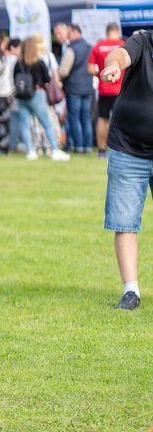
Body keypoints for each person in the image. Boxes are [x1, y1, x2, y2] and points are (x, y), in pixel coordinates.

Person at [99, 29, 153, 310]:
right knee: (125, 220)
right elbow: (120, 54)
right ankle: (130, 291)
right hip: (128, 145)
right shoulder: (143, 41)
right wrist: (113, 66)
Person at [15, 36, 69, 161]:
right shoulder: (39, 62)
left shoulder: (18, 63)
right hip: (37, 94)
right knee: (46, 123)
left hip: (22, 96)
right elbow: (47, 79)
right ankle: (54, 149)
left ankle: (30, 151)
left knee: (25, 124)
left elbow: (15, 79)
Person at [89, 22, 126, 159]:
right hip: (120, 89)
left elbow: (91, 69)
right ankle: (121, 150)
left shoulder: (98, 46)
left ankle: (101, 150)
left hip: (104, 89)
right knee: (122, 120)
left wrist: (101, 75)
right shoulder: (123, 45)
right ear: (117, 31)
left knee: (102, 119)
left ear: (107, 32)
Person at [59, 24, 93, 154]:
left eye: (69, 33)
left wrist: (58, 75)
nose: (68, 36)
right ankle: (88, 146)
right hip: (88, 87)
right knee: (86, 118)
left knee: (74, 117)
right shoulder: (90, 47)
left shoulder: (71, 48)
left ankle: (78, 146)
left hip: (74, 88)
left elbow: (64, 70)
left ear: (75, 32)